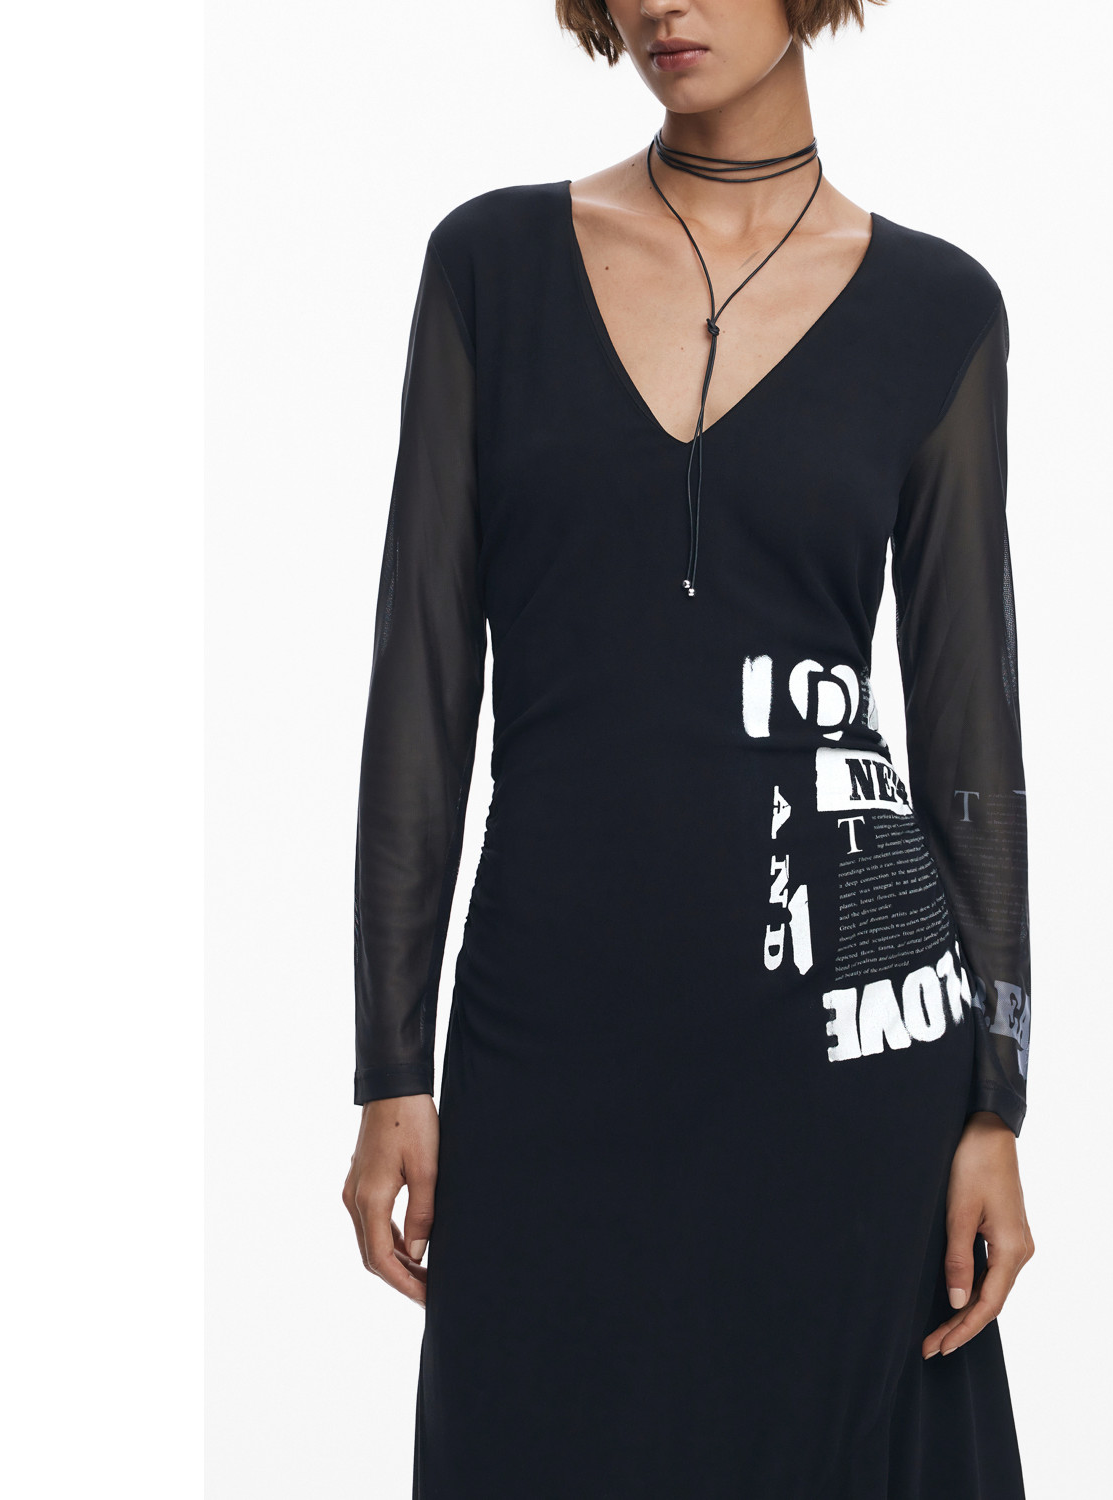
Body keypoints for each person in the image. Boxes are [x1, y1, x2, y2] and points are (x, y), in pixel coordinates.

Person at [342, 2, 1036, 1494]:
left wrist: (996, 1098)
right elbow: (420, 681)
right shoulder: (492, 268)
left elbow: (968, 730)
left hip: (841, 1057)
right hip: (546, 1037)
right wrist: (391, 1065)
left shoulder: (940, 311)